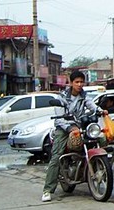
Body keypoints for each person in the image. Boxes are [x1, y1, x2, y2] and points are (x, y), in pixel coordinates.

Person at [42, 69, 106, 202]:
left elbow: (91, 105)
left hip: (79, 126)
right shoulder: (62, 98)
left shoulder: (84, 96)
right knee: (56, 156)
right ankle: (47, 189)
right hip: (63, 128)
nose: (80, 84)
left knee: (101, 138)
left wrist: (101, 111)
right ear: (71, 83)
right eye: (77, 82)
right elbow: (59, 119)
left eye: (82, 82)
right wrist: (70, 128)